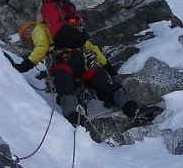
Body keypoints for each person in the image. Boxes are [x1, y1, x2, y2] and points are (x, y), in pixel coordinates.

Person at [12, 17, 148, 127]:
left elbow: (42, 47)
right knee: (109, 88)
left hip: (64, 66)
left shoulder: (39, 29)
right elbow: (91, 47)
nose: (29, 38)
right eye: (27, 38)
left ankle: (76, 122)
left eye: (27, 35)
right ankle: (133, 109)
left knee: (67, 93)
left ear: (31, 28)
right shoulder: (70, 33)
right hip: (86, 61)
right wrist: (109, 68)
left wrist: (24, 66)